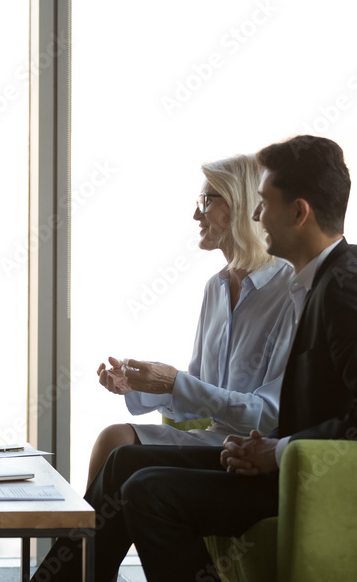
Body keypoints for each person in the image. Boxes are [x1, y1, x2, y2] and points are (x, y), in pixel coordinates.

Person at [31, 135, 357, 582]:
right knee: (123, 463)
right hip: (284, 461)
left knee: (145, 491)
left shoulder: (348, 289)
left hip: (314, 479)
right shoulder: (315, 284)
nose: (257, 215)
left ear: (298, 212)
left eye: (264, 203)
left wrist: (278, 450)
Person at [88, 153, 296, 486]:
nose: (196, 213)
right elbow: (203, 388)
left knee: (121, 451)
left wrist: (174, 382)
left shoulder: (290, 292)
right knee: (113, 438)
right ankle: (81, 540)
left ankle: (77, 539)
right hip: (214, 439)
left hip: (253, 450)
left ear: (239, 205)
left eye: (205, 201)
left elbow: (267, 415)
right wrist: (141, 385)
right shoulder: (216, 289)